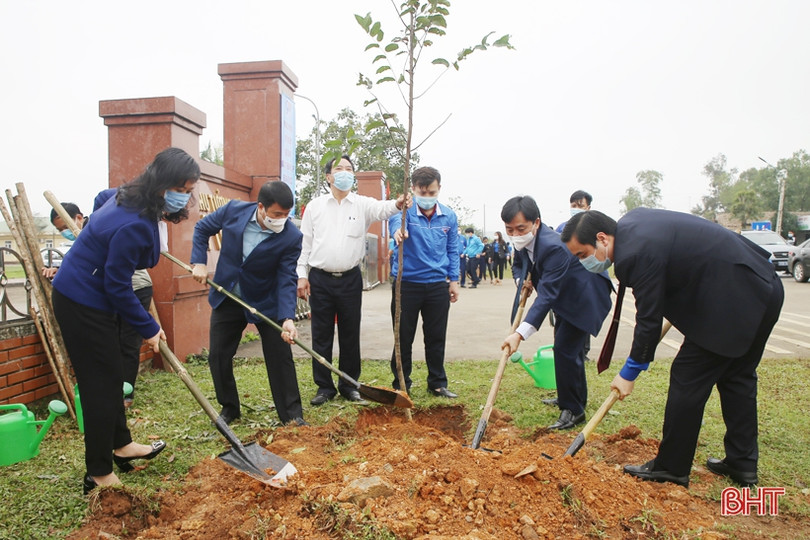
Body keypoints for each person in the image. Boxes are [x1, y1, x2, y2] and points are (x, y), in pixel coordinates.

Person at [561, 209, 784, 487]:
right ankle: (742, 463)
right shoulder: (633, 225)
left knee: (687, 376)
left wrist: (630, 372)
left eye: (582, 255)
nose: (583, 263)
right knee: (737, 377)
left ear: (602, 238)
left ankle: (671, 467)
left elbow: (648, 320)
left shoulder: (634, 254)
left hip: (734, 298)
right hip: (763, 286)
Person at [52, 147, 199, 494]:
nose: (187, 198)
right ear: (163, 186)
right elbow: (117, 286)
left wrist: (99, 235)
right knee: (100, 386)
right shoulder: (134, 224)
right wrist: (149, 328)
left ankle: (121, 445)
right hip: (80, 301)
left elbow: (102, 197)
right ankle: (98, 473)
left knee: (113, 375)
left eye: (190, 191)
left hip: (93, 296)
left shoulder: (126, 197)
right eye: (184, 190)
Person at [297, 155, 410, 406]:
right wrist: (302, 276)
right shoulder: (315, 207)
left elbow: (384, 208)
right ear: (329, 176)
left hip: (349, 279)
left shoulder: (361, 204)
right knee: (321, 335)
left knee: (350, 333)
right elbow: (304, 244)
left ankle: (349, 385)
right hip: (320, 279)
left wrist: (399, 203)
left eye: (349, 169)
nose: (345, 172)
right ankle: (324, 387)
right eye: (340, 168)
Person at [191, 181, 304, 426]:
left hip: (266, 300)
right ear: (261, 207)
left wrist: (287, 317)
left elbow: (287, 277)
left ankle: (292, 415)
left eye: (287, 214)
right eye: (277, 214)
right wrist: (198, 262)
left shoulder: (291, 236)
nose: (282, 219)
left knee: (279, 357)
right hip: (228, 295)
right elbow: (202, 228)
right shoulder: (233, 210)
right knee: (219, 356)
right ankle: (229, 408)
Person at [500, 196, 612, 430]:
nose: (515, 234)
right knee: (565, 349)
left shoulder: (552, 246)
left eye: (521, 228)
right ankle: (569, 398)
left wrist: (519, 334)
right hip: (565, 297)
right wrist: (524, 280)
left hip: (582, 298)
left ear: (536, 223)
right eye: (509, 229)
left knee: (567, 350)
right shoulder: (523, 243)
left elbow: (548, 295)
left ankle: (574, 410)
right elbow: (522, 264)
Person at [389, 166, 460, 397]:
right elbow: (394, 226)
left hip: (437, 285)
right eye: (422, 192)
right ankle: (401, 383)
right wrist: (398, 234)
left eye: (431, 192)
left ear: (439, 189)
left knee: (436, 335)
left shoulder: (448, 216)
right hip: (406, 284)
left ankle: (437, 383)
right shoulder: (403, 213)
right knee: (402, 336)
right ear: (413, 189)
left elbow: (452, 249)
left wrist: (454, 280)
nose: (427, 197)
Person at [94, 190, 155, 408]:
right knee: (112, 343)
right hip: (115, 293)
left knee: (129, 343)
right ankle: (112, 391)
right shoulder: (101, 227)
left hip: (136, 289)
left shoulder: (130, 226)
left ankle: (126, 394)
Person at [42, 203, 84, 279]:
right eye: (60, 229)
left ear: (79, 218)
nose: (64, 232)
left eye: (66, 227)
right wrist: (59, 270)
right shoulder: (79, 240)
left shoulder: (93, 234)